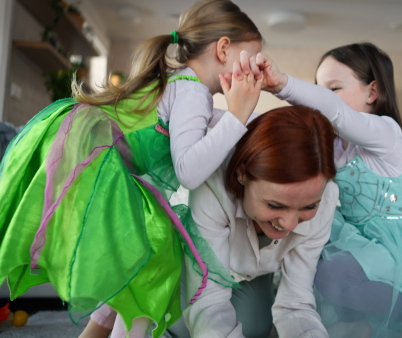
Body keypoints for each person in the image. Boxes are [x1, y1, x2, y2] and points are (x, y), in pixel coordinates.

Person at [0, 0, 264, 337]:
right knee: (155, 256)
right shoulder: (193, 92)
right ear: (224, 49)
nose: (254, 70)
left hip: (90, 162)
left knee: (136, 254)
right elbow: (189, 170)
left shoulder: (183, 86)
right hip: (96, 168)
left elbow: (212, 128)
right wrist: (239, 114)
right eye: (251, 59)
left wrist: (247, 116)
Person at [248, 42, 402, 337]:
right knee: (314, 262)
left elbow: (336, 112)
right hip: (365, 241)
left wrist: (283, 84)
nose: (322, 98)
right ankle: (371, 321)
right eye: (318, 89)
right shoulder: (335, 147)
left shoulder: (384, 132)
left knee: (333, 275)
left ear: (372, 92)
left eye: (333, 88)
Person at [174, 105, 339, 338]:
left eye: (309, 206)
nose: (291, 224)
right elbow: (208, 300)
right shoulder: (211, 185)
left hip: (248, 272)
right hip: (186, 263)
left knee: (256, 326)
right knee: (177, 325)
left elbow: (296, 303)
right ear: (242, 174)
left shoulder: (327, 197)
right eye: (275, 205)